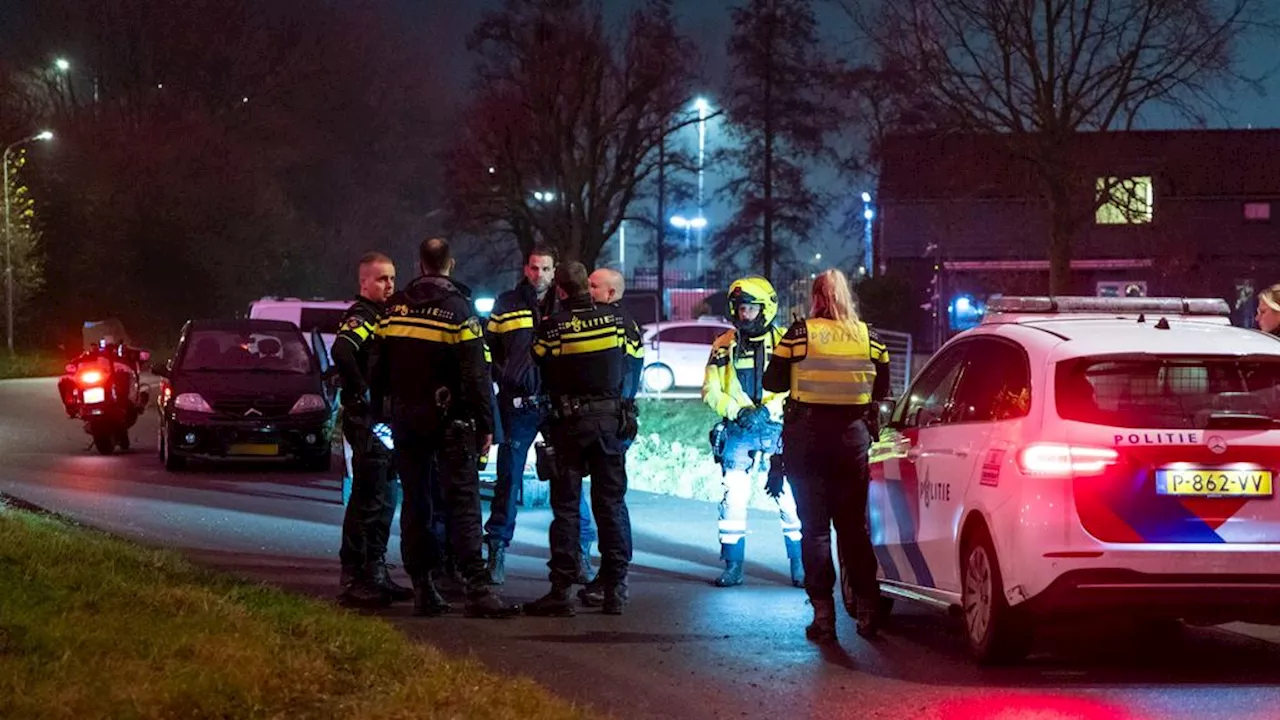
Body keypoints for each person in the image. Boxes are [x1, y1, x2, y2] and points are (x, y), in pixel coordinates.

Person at [375, 237, 520, 619]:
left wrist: (380, 413)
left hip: (406, 421)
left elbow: (378, 366)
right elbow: (476, 374)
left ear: (420, 264)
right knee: (463, 503)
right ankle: (477, 587)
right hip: (451, 422)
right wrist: (487, 424)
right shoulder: (460, 311)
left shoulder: (393, 310)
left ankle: (423, 587)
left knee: (416, 502)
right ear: (449, 265)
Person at [763, 269, 891, 643]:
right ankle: (868, 608)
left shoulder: (800, 333)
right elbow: (882, 388)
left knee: (815, 530)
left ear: (817, 297)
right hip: (851, 439)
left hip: (807, 438)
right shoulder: (870, 337)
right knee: (852, 528)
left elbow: (772, 382)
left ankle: (823, 616)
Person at [523, 262, 642, 617]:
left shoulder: (553, 327)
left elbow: (537, 361)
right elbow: (633, 364)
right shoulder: (620, 322)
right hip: (609, 423)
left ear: (560, 291)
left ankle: (561, 589)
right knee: (611, 505)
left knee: (566, 508)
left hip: (569, 425)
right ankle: (615, 588)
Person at [483, 245, 598, 586]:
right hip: (518, 404)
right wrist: (504, 378)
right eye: (534, 268)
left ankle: (580, 552)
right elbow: (489, 350)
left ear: (555, 271)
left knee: (570, 480)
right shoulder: (506, 303)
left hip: (556, 403)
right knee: (508, 479)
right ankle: (497, 550)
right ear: (525, 269)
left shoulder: (567, 305)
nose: (539, 275)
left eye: (546, 269)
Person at [702, 276, 804, 589]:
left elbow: (798, 386)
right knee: (734, 498)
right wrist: (738, 411)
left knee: (788, 498)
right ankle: (733, 565)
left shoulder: (787, 342)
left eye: (749, 308)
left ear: (766, 308)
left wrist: (769, 410)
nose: (743, 314)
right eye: (740, 308)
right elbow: (710, 390)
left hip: (777, 430)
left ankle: (799, 565)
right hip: (739, 430)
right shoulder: (723, 345)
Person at [332, 252, 410, 608]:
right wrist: (362, 392)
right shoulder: (362, 316)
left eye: (392, 278)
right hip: (368, 421)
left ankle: (376, 569)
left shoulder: (386, 315)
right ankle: (354, 576)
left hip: (386, 420)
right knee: (367, 497)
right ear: (364, 282)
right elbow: (343, 351)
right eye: (382, 279)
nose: (389, 285)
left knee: (386, 496)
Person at [576, 268, 643, 607]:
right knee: (610, 501)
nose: (588, 291)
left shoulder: (614, 325)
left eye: (593, 286)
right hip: (616, 421)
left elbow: (624, 376)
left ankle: (614, 578)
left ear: (612, 293)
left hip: (609, 421)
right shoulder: (622, 323)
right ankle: (614, 577)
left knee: (608, 502)